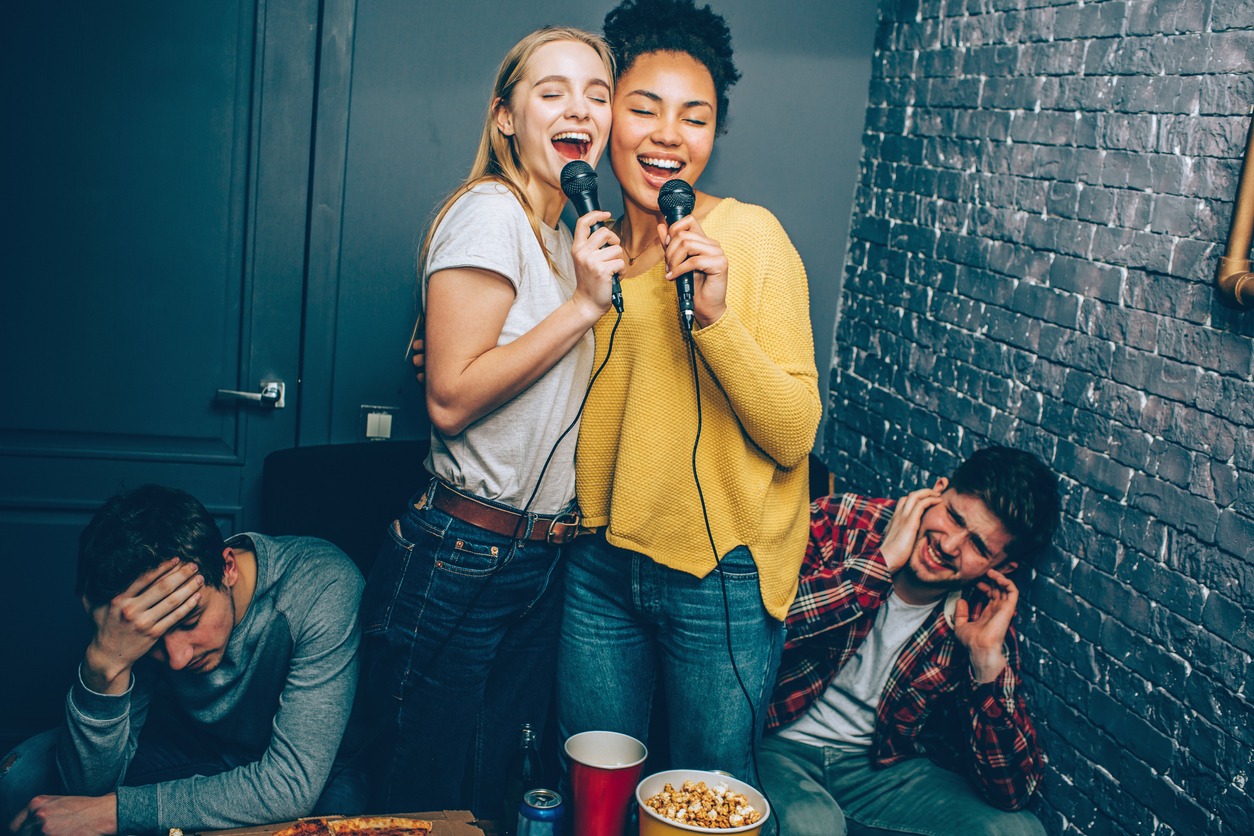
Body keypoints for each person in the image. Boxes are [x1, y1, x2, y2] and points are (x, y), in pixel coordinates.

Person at [356, 26, 621, 818]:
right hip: (460, 555)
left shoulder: (557, 229)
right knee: (423, 797)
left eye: (597, 94)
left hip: (535, 560)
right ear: (505, 117)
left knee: (485, 793)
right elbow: (448, 397)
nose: (579, 107)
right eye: (552, 92)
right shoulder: (489, 213)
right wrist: (580, 309)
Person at [557, 0, 823, 783]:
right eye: (643, 109)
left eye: (695, 117)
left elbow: (794, 432)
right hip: (599, 565)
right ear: (607, 120)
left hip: (720, 578)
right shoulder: (585, 249)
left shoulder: (750, 237)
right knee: (593, 792)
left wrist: (714, 321)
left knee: (710, 801)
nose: (669, 135)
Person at [0, 484, 365, 836]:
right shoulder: (137, 612)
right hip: (200, 744)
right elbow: (87, 788)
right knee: (22, 779)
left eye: (191, 620)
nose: (176, 659)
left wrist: (114, 813)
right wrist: (103, 662)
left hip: (310, 767)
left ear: (227, 567)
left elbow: (289, 784)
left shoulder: (322, 585)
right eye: (153, 639)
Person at [760, 446, 1061, 836]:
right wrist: (879, 565)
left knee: (1019, 831)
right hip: (771, 743)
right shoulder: (845, 522)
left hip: (877, 770)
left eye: (978, 547)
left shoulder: (982, 609)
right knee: (814, 827)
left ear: (1001, 567)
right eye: (953, 517)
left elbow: (1011, 792)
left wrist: (986, 661)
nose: (950, 545)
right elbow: (755, 628)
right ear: (937, 490)